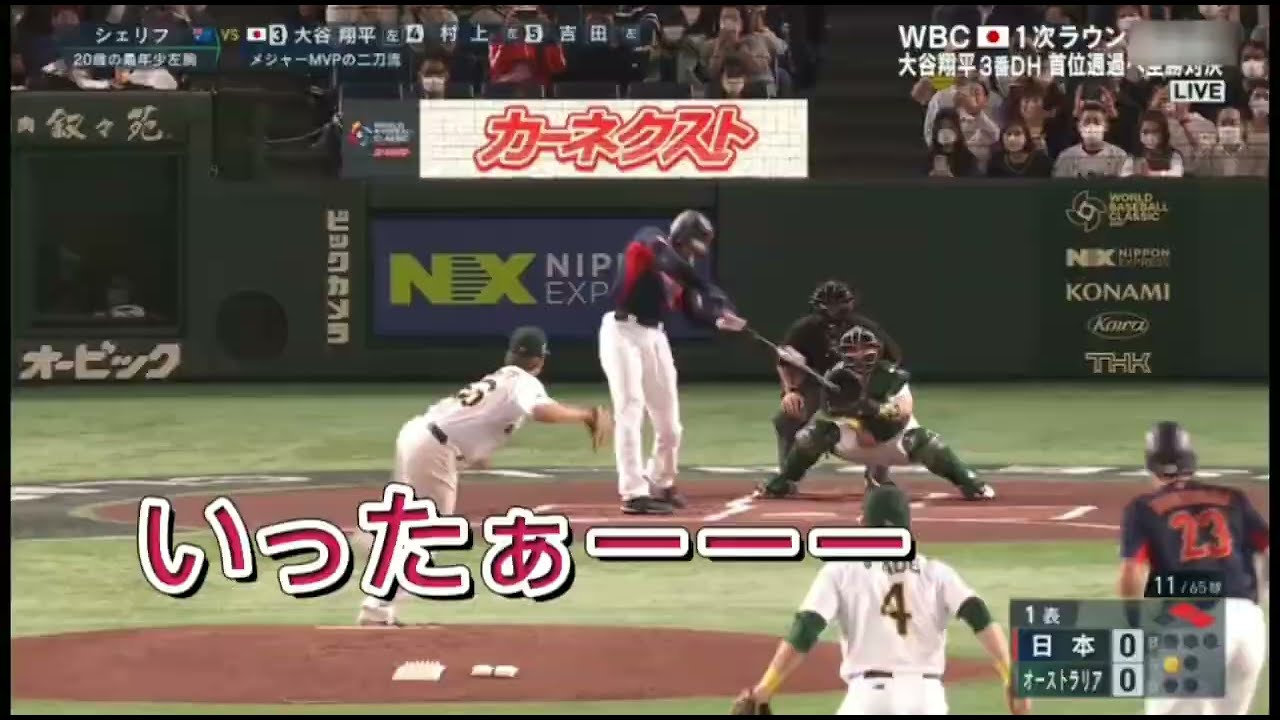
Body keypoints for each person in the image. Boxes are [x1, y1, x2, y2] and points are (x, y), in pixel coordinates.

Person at [355, 326, 611, 626]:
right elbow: (541, 410)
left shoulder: (499, 378)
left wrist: (476, 452)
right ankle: (377, 605)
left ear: (510, 354)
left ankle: (376, 545)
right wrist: (586, 415)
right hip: (432, 448)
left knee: (410, 521)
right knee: (430, 534)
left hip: (416, 433)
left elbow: (472, 416)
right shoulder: (523, 381)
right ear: (540, 360)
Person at [730, 484, 1028, 716]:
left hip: (870, 697)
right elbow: (978, 614)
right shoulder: (936, 572)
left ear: (865, 525)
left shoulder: (841, 570)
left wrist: (766, 688)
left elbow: (806, 628)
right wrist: (1009, 675)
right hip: (928, 699)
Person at [599, 211, 747, 515]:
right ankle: (633, 492)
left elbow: (692, 312)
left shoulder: (683, 272)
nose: (694, 253)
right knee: (630, 409)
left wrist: (719, 318)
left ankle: (661, 481)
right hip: (622, 331)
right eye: (692, 245)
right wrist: (707, 287)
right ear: (681, 236)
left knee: (670, 423)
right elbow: (669, 262)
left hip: (655, 336)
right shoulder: (650, 241)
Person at [1118, 421, 1269, 715]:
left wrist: (1135, 622)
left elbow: (1131, 573)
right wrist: (1257, 599)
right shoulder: (1233, 498)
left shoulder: (1143, 508)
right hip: (1248, 627)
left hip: (1194, 621)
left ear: (1150, 465)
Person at [756, 325, 995, 501]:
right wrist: (859, 422)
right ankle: (783, 482)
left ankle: (969, 483)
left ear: (877, 351)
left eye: (865, 351)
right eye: (853, 351)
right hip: (857, 441)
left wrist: (874, 409)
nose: (860, 356)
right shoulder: (835, 378)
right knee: (811, 436)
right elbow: (830, 411)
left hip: (895, 440)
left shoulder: (892, 376)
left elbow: (902, 413)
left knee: (928, 443)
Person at [774, 280, 904, 493]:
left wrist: (874, 386)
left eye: (838, 304)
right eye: (829, 305)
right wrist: (790, 391)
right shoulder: (804, 329)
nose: (834, 310)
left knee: (882, 419)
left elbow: (893, 358)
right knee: (787, 419)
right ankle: (787, 479)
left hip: (860, 384)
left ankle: (877, 476)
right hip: (818, 384)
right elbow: (784, 363)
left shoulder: (866, 328)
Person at [1052, 101, 1129, 177]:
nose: (1091, 126)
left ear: (1106, 126)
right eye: (1087, 121)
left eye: (1096, 122)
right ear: (1079, 126)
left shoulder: (1119, 156)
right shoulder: (1066, 157)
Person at [1191, 106, 1269, 176]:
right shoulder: (1206, 156)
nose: (1228, 128)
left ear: (1243, 127)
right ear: (1217, 128)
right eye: (1223, 124)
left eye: (1233, 123)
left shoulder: (1259, 156)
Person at [1121, 111, 1185, 177]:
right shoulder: (1134, 156)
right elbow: (1124, 174)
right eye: (1145, 132)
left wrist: (1151, 174)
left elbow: (1177, 173)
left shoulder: (1173, 155)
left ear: (1164, 133)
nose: (1150, 138)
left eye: (1155, 132)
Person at [986, 120, 1053, 177]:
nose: (1012, 139)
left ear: (1026, 137)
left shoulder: (1042, 161)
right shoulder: (996, 162)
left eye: (1017, 134)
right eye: (1008, 134)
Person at [926, 108, 979, 177]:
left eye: (950, 127)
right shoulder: (928, 158)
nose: (946, 133)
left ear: (958, 130)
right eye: (942, 128)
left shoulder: (969, 159)